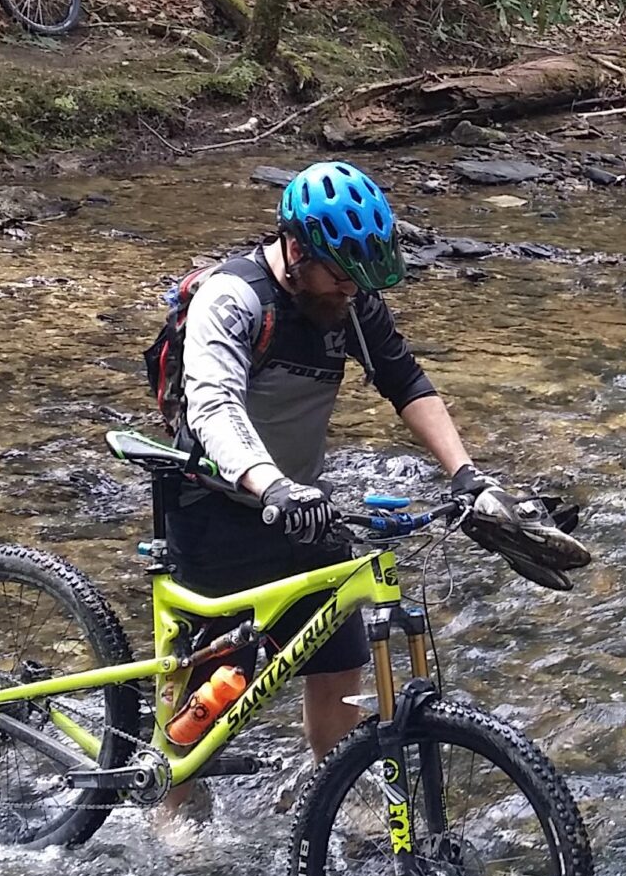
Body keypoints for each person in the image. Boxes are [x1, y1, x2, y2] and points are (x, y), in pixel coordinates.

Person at [154, 160, 563, 826]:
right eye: (340, 274)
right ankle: (173, 805)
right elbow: (214, 407)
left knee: (338, 652)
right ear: (296, 250)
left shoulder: (348, 299)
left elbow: (407, 383)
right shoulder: (234, 300)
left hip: (299, 502)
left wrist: (466, 474)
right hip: (214, 503)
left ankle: (329, 788)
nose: (351, 290)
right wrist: (271, 486)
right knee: (218, 679)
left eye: (360, 277)